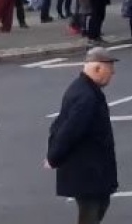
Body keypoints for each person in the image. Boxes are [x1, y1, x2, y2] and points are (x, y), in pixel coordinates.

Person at [46, 47, 119, 224]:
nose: (113, 74)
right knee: (91, 213)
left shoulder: (83, 88)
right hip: (87, 170)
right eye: (110, 69)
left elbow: (59, 123)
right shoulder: (86, 96)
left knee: (100, 204)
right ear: (97, 69)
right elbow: (68, 130)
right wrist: (53, 157)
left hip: (92, 169)